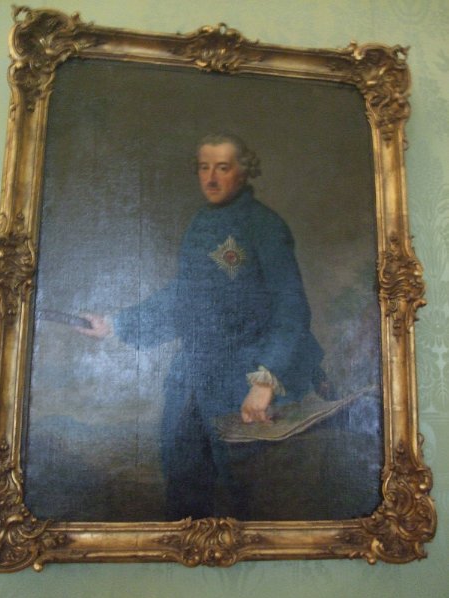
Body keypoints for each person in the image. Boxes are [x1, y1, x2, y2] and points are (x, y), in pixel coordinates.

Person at [78, 133, 325, 520]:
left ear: (244, 171)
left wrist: (265, 382)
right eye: (204, 167)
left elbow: (291, 308)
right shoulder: (200, 224)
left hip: (246, 382)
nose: (210, 178)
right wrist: (115, 325)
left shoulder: (265, 225)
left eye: (222, 168)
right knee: (183, 488)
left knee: (250, 499)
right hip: (192, 380)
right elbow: (183, 296)